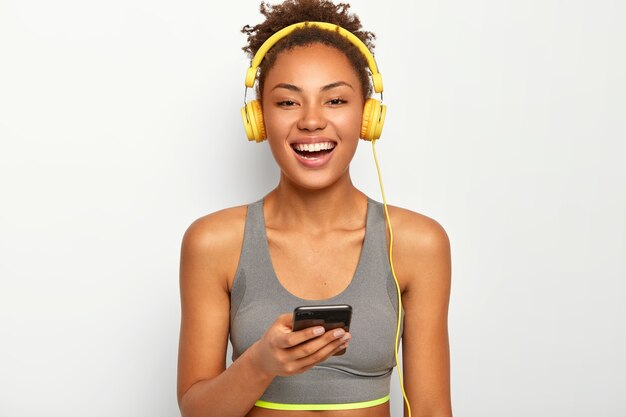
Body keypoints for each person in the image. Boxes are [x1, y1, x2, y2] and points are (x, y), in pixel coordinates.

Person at [176, 0, 452, 416]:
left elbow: (431, 409)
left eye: (335, 101)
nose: (311, 121)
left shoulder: (417, 243)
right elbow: (196, 411)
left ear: (367, 115)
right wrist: (260, 363)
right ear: (259, 118)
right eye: (288, 102)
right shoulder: (213, 242)